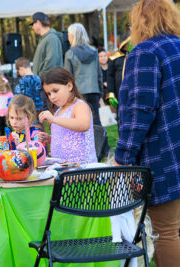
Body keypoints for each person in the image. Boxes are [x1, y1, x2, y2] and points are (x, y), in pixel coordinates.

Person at [114, 1, 180, 266]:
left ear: (140, 22)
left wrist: (123, 156)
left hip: (163, 155)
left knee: (166, 231)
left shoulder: (145, 52)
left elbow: (140, 109)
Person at [39, 67, 97, 163]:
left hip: (81, 167)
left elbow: (83, 125)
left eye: (55, 91)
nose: (52, 97)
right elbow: (67, 136)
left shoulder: (79, 106)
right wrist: (50, 139)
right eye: (48, 94)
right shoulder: (59, 111)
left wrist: (53, 119)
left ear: (69, 86)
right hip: (63, 167)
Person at [64, 23, 103, 126]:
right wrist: (100, 93)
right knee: (96, 122)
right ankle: (101, 142)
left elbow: (68, 78)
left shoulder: (70, 54)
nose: (68, 38)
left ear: (73, 36)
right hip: (94, 91)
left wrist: (68, 96)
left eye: (68, 35)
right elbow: (99, 74)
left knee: (80, 122)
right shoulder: (94, 52)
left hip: (78, 93)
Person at [30, 12, 63, 81]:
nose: (32, 27)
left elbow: (51, 63)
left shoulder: (51, 38)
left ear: (38, 22)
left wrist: (40, 79)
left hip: (48, 82)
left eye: (33, 24)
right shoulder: (44, 39)